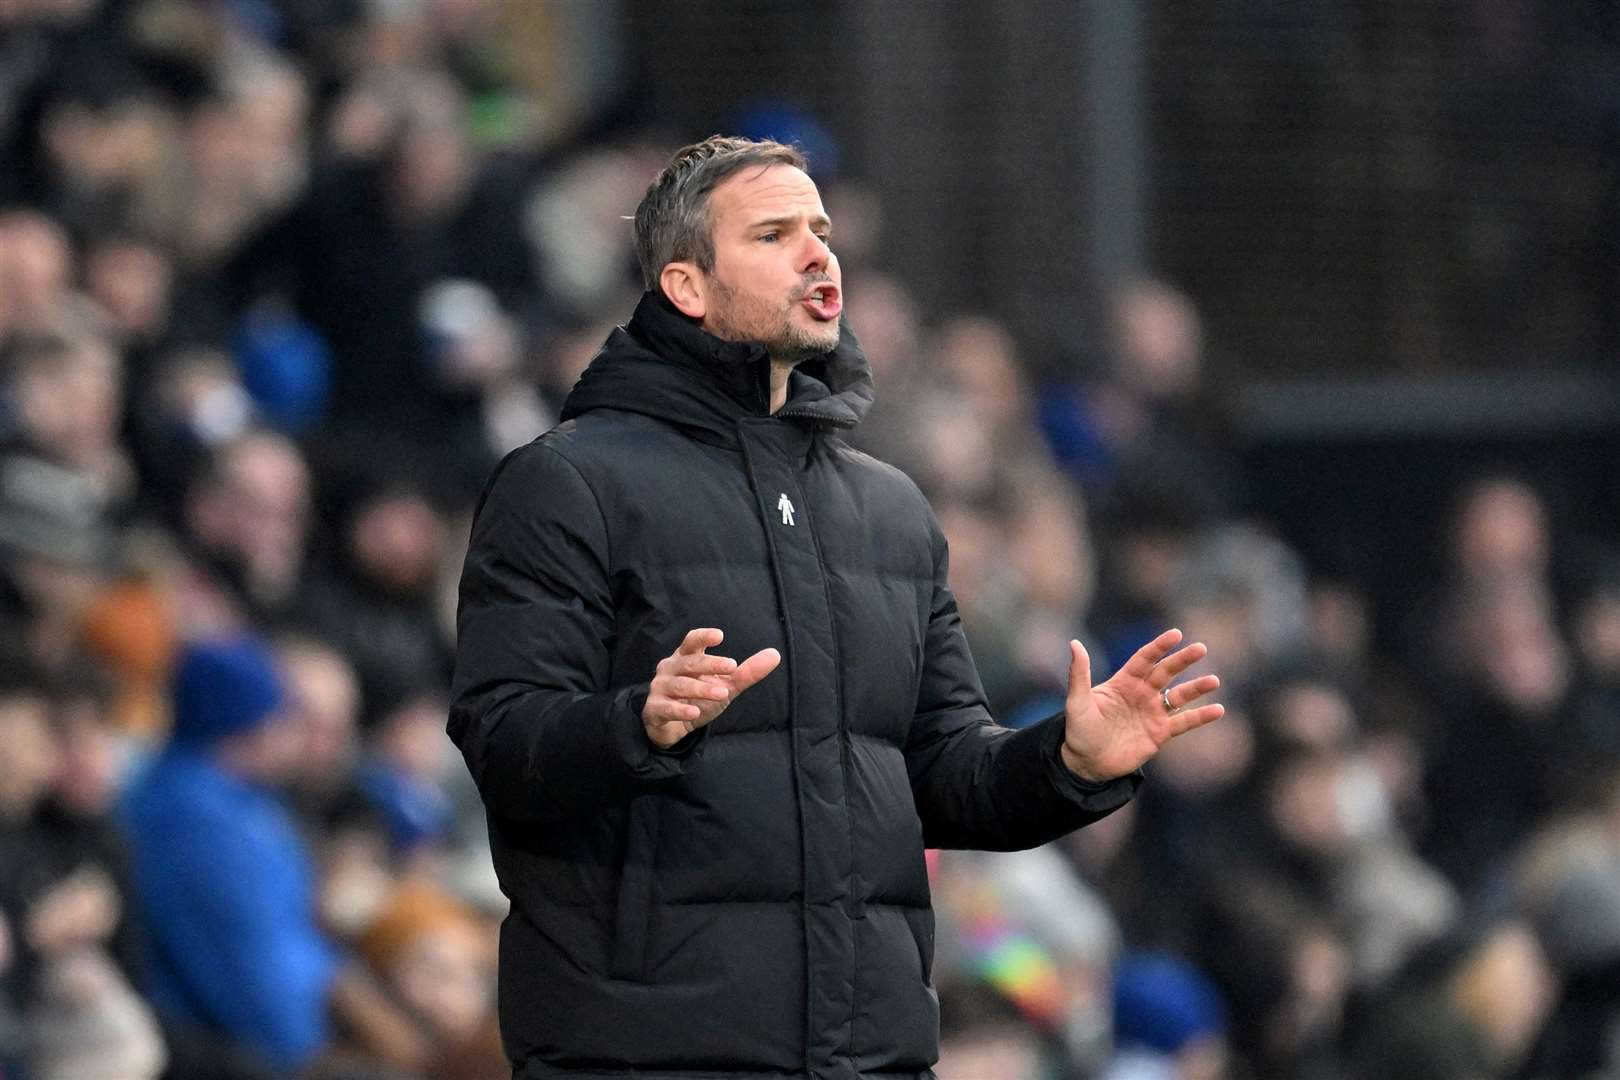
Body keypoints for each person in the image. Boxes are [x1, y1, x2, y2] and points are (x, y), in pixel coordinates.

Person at [448, 136, 1224, 1080]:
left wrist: (1064, 763)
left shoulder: (891, 511)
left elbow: (941, 777)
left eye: (820, 230)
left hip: (870, 1059)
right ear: (687, 287)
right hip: (648, 1056)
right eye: (773, 235)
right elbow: (503, 741)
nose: (819, 254)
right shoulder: (566, 483)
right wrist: (635, 726)